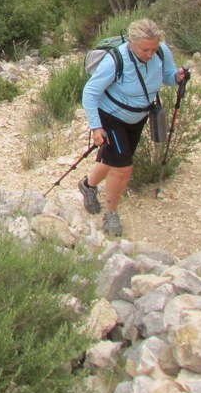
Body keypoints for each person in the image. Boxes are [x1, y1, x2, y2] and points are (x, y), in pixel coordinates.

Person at [77, 19, 189, 237]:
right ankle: (111, 214)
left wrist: (177, 78)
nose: (150, 53)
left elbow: (168, 76)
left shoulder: (161, 51)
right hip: (111, 117)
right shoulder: (115, 60)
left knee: (112, 159)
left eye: (154, 48)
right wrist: (96, 127)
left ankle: (87, 186)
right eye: (144, 49)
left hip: (138, 117)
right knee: (123, 167)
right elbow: (90, 93)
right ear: (131, 43)